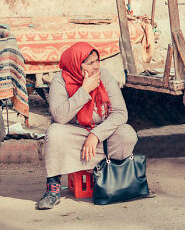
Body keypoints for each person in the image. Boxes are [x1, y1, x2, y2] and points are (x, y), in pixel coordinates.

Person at [36, 42, 138, 210]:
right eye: (90, 63)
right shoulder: (60, 81)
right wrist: (84, 90)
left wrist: (96, 134)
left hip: (100, 134)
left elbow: (120, 113)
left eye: (97, 61)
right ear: (77, 64)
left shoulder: (104, 76)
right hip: (75, 135)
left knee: (127, 134)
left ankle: (106, 175)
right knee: (55, 132)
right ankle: (53, 189)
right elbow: (59, 117)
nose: (96, 66)